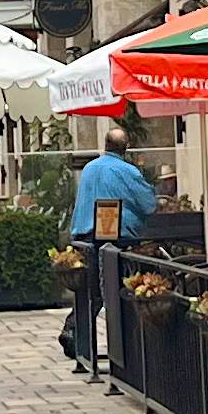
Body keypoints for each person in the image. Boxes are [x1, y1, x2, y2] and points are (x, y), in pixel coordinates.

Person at [63, 128, 162, 376]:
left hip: (83, 235)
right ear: (125, 147)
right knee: (115, 291)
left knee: (91, 291)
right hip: (111, 238)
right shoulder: (125, 171)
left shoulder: (90, 168)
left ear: (105, 144)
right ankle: (121, 350)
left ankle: (77, 337)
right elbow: (148, 203)